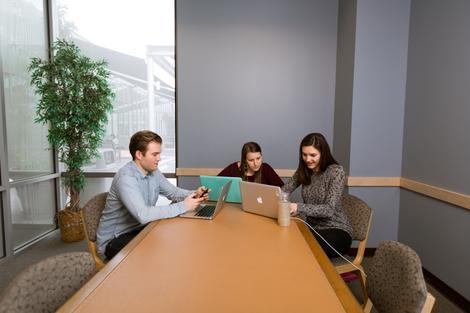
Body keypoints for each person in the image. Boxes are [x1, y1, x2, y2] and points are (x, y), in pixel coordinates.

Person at [96, 130, 208, 260]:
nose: (159, 158)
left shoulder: (153, 172)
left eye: (159, 154)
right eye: (154, 154)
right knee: (159, 251)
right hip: (115, 239)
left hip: (141, 229)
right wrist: (184, 206)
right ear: (139, 154)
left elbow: (173, 192)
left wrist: (194, 194)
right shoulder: (126, 178)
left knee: (171, 240)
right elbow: (143, 215)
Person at [282, 133, 352, 257]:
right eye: (304, 155)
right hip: (312, 228)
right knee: (287, 240)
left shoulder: (336, 172)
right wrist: (276, 197)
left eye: (313, 155)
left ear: (323, 153)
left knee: (300, 247)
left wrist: (298, 207)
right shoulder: (304, 171)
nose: (308, 159)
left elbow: (329, 210)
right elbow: (284, 190)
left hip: (336, 230)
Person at [218, 142, 284, 187]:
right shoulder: (233, 169)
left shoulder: (266, 168)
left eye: (258, 158)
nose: (256, 163)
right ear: (245, 160)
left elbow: (283, 189)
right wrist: (207, 192)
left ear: (261, 156)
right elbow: (215, 182)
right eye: (251, 160)